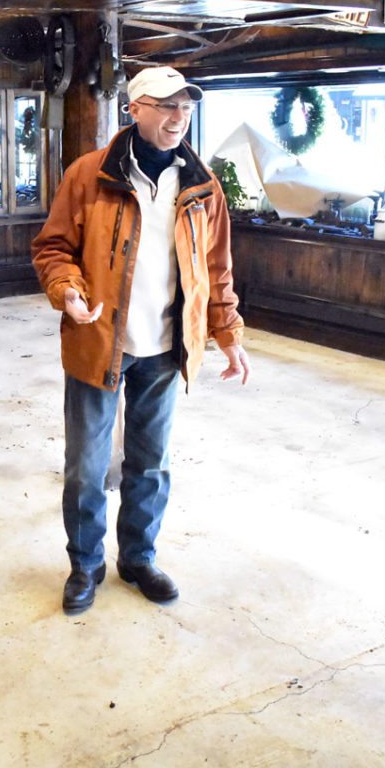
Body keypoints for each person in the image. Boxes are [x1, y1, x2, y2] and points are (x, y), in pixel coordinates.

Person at [31, 65, 250, 615]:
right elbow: (53, 248)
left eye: (186, 106)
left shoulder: (202, 186)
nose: (179, 117)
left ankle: (138, 558)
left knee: (151, 463)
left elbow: (216, 268)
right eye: (166, 105)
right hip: (99, 341)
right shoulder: (89, 175)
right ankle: (85, 565)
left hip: (167, 347)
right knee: (86, 468)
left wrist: (228, 333)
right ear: (134, 109)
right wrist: (68, 290)